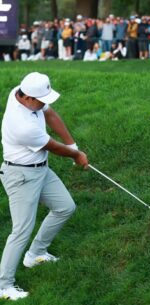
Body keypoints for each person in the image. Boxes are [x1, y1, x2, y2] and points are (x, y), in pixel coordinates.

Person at [0, 72, 89, 300]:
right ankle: (4, 286)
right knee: (21, 230)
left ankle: (36, 253)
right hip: (20, 175)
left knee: (65, 207)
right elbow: (53, 147)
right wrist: (76, 155)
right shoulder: (22, 126)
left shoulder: (19, 93)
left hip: (40, 169)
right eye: (42, 100)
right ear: (28, 97)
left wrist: (73, 145)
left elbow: (50, 115)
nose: (45, 104)